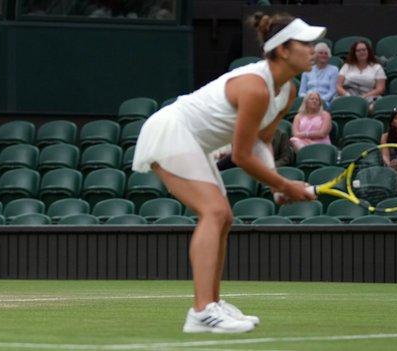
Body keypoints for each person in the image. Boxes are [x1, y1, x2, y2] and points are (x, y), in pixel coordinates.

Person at [132, 13, 319, 333]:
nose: (314, 49)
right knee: (215, 212)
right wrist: (285, 184)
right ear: (283, 50)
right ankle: (202, 311)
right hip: (170, 130)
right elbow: (242, 156)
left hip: (194, 142)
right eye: (306, 43)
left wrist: (276, 187)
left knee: (223, 217)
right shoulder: (255, 87)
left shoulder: (288, 91)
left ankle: (211, 304)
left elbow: (262, 141)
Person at [336, 41, 386, 110]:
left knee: (374, 106)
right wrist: (347, 95)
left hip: (369, 96)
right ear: (354, 53)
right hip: (348, 95)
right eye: (358, 51)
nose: (361, 52)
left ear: (368, 51)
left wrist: (364, 96)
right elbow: (338, 86)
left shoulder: (377, 67)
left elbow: (380, 88)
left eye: (364, 50)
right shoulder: (347, 66)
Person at [216, 128, 294, 170]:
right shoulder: (245, 134)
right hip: (248, 170)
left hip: (272, 170)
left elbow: (286, 159)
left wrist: (269, 167)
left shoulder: (282, 135)